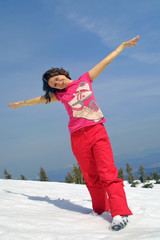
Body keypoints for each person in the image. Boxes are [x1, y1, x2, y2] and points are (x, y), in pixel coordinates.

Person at [8, 35, 140, 231]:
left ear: (62, 73)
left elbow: (104, 61)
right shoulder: (60, 96)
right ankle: (99, 209)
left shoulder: (85, 80)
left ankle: (119, 213)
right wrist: (22, 103)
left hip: (97, 130)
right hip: (77, 136)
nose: (58, 83)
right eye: (54, 84)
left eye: (57, 79)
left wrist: (121, 47)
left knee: (107, 173)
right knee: (90, 176)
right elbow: (39, 100)